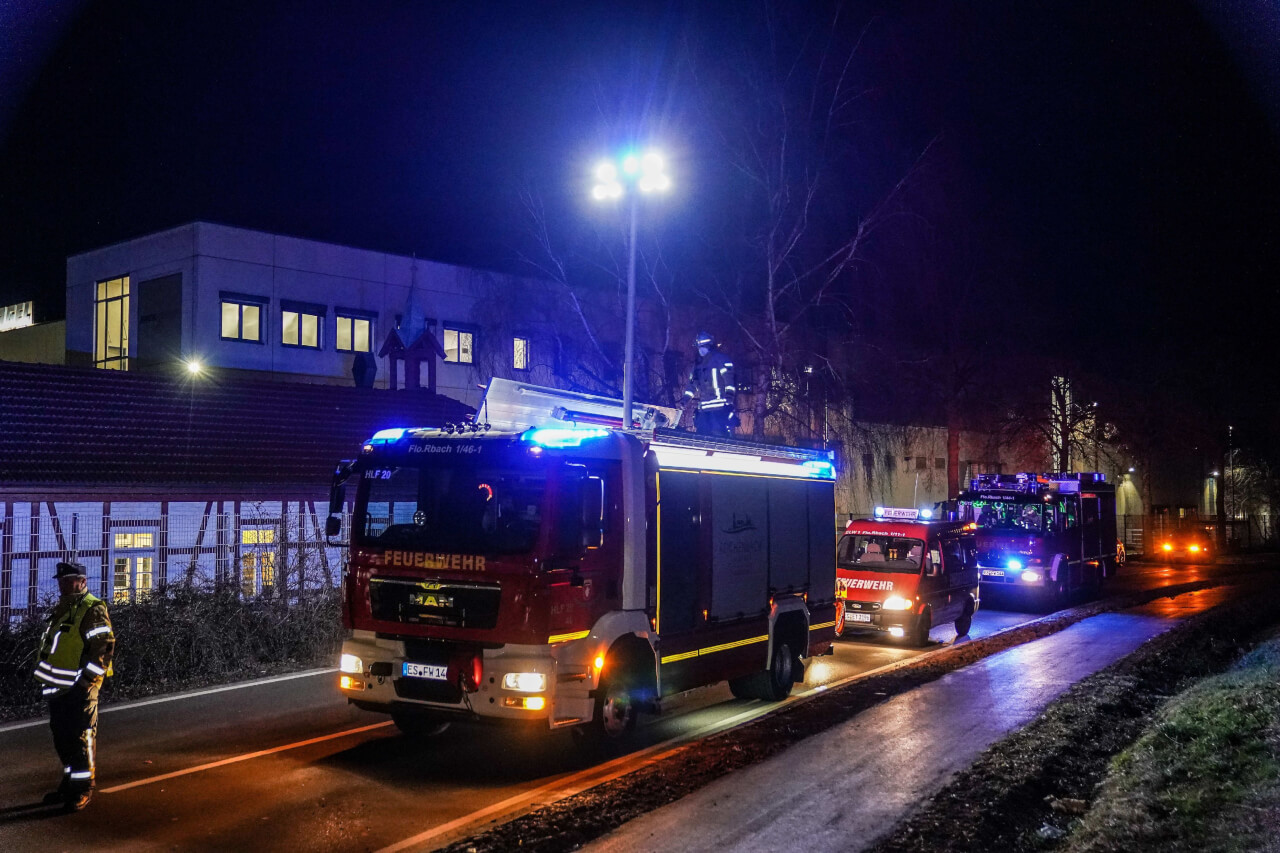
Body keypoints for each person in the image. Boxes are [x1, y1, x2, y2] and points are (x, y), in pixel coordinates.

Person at [34, 561, 115, 811]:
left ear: (82, 582)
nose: (64, 585)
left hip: (80, 687)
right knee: (63, 738)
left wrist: (86, 682)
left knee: (81, 737)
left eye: (69, 580)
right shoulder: (64, 608)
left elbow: (103, 648)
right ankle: (70, 783)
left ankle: (83, 788)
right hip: (58, 687)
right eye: (61, 581)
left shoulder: (92, 608)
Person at [683, 331, 737, 436]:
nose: (700, 349)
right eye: (699, 347)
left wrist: (729, 398)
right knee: (701, 437)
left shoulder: (721, 359)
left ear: (709, 346)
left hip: (719, 407)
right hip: (704, 409)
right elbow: (692, 385)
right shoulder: (697, 365)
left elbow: (729, 380)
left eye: (703, 346)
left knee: (719, 436)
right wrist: (684, 400)